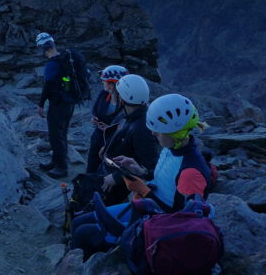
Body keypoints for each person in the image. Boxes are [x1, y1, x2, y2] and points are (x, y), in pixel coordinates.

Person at [70, 93, 211, 258]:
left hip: (157, 226)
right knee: (78, 221)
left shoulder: (190, 173)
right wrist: (139, 170)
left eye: (157, 132)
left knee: (82, 233)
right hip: (145, 208)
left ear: (174, 132)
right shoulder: (172, 148)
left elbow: (181, 219)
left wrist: (144, 190)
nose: (153, 134)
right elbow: (162, 181)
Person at [97, 74, 161, 205]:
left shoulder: (143, 129)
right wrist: (106, 148)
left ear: (123, 98)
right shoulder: (130, 114)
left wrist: (118, 176)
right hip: (108, 172)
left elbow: (149, 168)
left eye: (119, 93)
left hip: (114, 183)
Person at [36, 32, 86, 179]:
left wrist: (40, 104)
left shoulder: (52, 64)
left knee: (55, 135)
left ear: (41, 48)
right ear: (53, 44)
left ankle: (61, 168)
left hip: (58, 104)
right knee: (62, 133)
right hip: (69, 103)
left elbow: (48, 84)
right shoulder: (66, 60)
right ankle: (56, 161)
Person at [86, 65, 126, 173]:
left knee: (107, 169)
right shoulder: (104, 94)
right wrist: (94, 118)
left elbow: (127, 125)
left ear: (112, 84)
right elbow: (95, 109)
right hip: (98, 137)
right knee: (92, 166)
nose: (102, 82)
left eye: (104, 80)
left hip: (113, 142)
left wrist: (110, 129)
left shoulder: (126, 102)